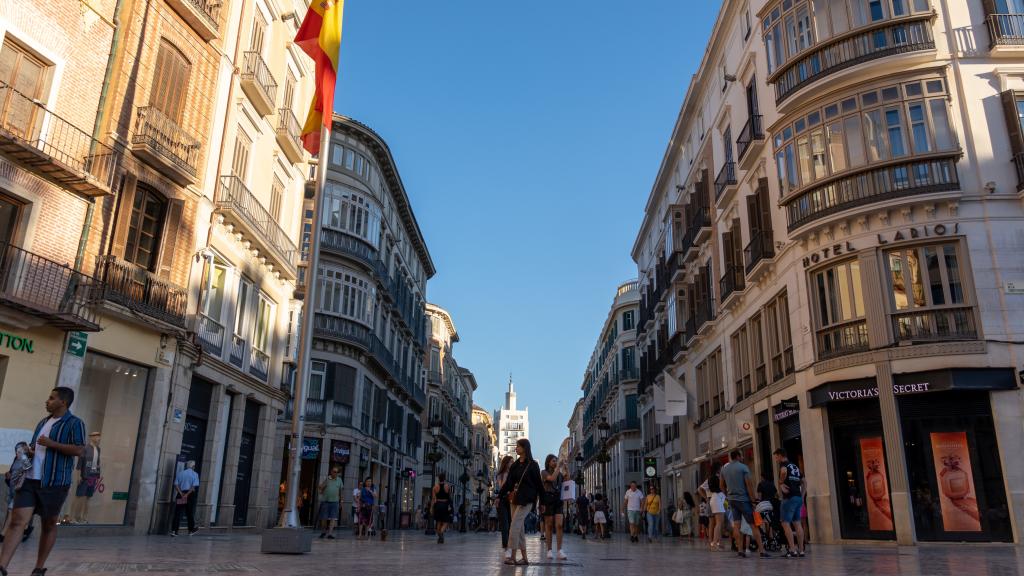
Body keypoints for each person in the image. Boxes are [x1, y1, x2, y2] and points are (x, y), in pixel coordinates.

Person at [0, 387, 86, 576]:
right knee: (17, 522)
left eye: (51, 398)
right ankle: (2, 566)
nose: (47, 401)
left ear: (63, 402)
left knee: (48, 525)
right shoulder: (43, 422)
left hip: (54, 482)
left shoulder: (74, 423)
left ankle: (39, 568)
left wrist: (53, 444)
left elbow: (79, 449)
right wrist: (16, 467)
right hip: (30, 479)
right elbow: (34, 449)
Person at [497, 438, 542, 566]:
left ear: (524, 448)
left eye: (518, 446)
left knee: (515, 525)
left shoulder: (533, 465)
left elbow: (539, 485)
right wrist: (499, 496)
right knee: (520, 528)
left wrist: (542, 503)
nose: (516, 448)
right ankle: (525, 558)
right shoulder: (515, 465)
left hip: (527, 500)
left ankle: (512, 556)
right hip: (515, 499)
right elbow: (508, 484)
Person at [721, 450, 768, 559]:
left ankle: (740, 551)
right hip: (744, 500)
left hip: (732, 500)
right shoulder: (743, 468)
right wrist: (753, 500)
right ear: (738, 456)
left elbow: (721, 485)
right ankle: (761, 551)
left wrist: (727, 495)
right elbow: (749, 485)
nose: (742, 457)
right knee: (754, 525)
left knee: (736, 526)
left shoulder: (724, 469)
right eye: (741, 455)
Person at [774, 448, 806, 558]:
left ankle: (792, 550)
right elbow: (804, 481)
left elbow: (783, 472)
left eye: (776, 457)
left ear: (780, 455)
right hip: (798, 497)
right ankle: (801, 550)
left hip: (789, 498)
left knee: (785, 523)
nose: (776, 459)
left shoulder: (784, 464)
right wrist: (802, 495)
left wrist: (780, 482)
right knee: (797, 523)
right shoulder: (795, 466)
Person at [0, 443, 33, 545]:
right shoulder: (16, 459)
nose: (17, 452)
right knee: (15, 513)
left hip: (20, 489)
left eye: (19, 450)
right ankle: (27, 528)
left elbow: (29, 471)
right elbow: (12, 472)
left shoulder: (25, 459)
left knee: (10, 511)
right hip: (12, 489)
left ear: (25, 450)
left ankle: (2, 534)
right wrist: (8, 475)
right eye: (16, 450)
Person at [68, 432, 100, 524]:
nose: (98, 438)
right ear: (92, 437)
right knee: (79, 496)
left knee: (88, 497)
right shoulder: (85, 448)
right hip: (85, 476)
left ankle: (84, 517)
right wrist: (78, 476)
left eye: (99, 436)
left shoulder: (98, 449)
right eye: (97, 436)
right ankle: (72, 517)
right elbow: (80, 463)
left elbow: (97, 462)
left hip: (93, 476)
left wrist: (97, 475)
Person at [539, 455, 567, 560]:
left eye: (556, 461)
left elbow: (567, 480)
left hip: (558, 499)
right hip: (548, 499)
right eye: (553, 461)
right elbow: (552, 478)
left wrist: (566, 468)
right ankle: (549, 550)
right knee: (549, 525)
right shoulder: (544, 472)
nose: (555, 462)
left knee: (559, 525)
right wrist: (558, 468)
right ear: (548, 462)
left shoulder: (559, 473)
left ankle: (560, 550)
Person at [699, 462, 725, 550]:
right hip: (716, 498)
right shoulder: (717, 478)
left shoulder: (710, 478)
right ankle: (714, 543)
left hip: (713, 499)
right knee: (718, 523)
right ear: (718, 469)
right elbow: (721, 488)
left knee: (716, 523)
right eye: (721, 468)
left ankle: (715, 542)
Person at [170, 460, 200, 536]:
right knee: (189, 512)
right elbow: (193, 487)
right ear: (193, 466)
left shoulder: (181, 473)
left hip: (181, 494)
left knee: (178, 512)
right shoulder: (195, 474)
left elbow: (176, 485)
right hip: (190, 495)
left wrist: (181, 494)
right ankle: (191, 530)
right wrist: (187, 495)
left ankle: (174, 531)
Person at [494, 455, 513, 558]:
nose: (512, 464)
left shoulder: (513, 474)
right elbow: (502, 487)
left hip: (511, 500)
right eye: (510, 462)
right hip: (502, 500)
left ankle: (509, 546)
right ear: (506, 463)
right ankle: (506, 547)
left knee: (510, 524)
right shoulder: (500, 475)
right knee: (504, 524)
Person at [317, 467, 344, 539]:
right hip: (325, 501)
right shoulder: (327, 479)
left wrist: (341, 501)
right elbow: (320, 488)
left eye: (336, 472)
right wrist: (323, 485)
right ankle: (323, 532)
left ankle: (330, 533)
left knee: (333, 518)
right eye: (333, 471)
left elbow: (341, 492)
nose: (334, 473)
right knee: (324, 518)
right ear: (331, 471)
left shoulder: (339, 480)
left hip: (335, 502)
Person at [431, 472, 452, 544]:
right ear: (444, 478)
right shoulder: (447, 486)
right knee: (446, 522)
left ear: (438, 478)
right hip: (445, 505)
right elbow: (449, 498)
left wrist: (431, 508)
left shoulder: (435, 487)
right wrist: (449, 506)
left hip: (437, 505)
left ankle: (440, 536)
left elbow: (433, 499)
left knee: (438, 522)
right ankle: (441, 533)